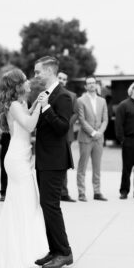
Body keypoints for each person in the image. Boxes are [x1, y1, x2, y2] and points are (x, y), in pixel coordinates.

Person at [0, 69, 48, 268]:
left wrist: (36, 104)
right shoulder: (13, 105)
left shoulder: (21, 103)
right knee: (25, 203)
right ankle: (20, 254)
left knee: (26, 203)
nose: (29, 81)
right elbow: (29, 125)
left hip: (23, 156)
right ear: (17, 85)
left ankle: (24, 248)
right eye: (25, 80)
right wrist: (41, 106)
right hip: (17, 159)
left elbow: (27, 118)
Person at [34, 56, 74, 268]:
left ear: (49, 71)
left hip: (55, 160)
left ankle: (65, 252)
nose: (35, 75)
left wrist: (47, 108)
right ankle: (55, 250)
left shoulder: (63, 97)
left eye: (38, 71)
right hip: (43, 158)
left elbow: (62, 128)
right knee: (46, 206)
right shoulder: (45, 94)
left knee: (51, 206)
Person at [76, 77, 108, 201]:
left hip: (99, 139)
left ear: (96, 85)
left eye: (93, 83)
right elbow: (82, 120)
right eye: (89, 83)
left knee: (97, 166)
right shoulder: (80, 100)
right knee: (82, 166)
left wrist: (99, 132)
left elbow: (105, 119)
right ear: (85, 86)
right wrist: (93, 132)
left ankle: (97, 191)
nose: (91, 85)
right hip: (85, 138)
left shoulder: (102, 101)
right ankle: (81, 192)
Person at [57, 71, 78, 202]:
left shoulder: (72, 95)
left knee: (64, 164)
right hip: (51, 134)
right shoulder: (47, 92)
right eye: (59, 78)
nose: (61, 80)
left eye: (64, 79)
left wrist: (64, 125)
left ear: (66, 82)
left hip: (66, 135)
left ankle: (64, 193)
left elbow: (75, 113)